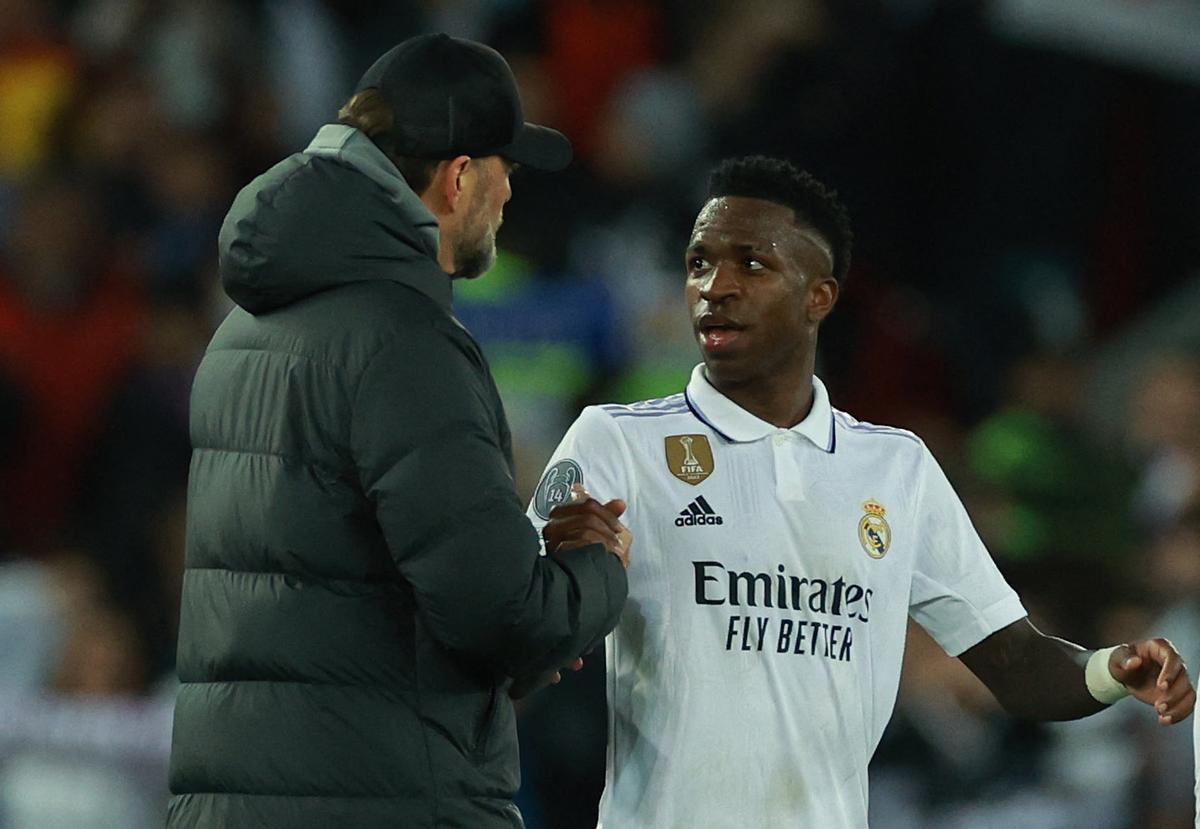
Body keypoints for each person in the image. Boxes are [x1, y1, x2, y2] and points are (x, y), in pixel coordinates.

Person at [528, 155, 1195, 827]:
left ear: (819, 296)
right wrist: (571, 586)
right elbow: (515, 624)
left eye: (751, 265)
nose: (716, 286)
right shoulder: (616, 443)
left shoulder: (894, 468)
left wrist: (1114, 669)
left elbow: (1014, 659)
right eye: (699, 263)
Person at [167, 34, 631, 829]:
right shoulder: (403, 343)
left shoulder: (243, 330)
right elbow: (500, 615)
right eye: (504, 170)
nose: (511, 195)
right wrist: (594, 569)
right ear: (457, 179)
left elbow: (333, 597)